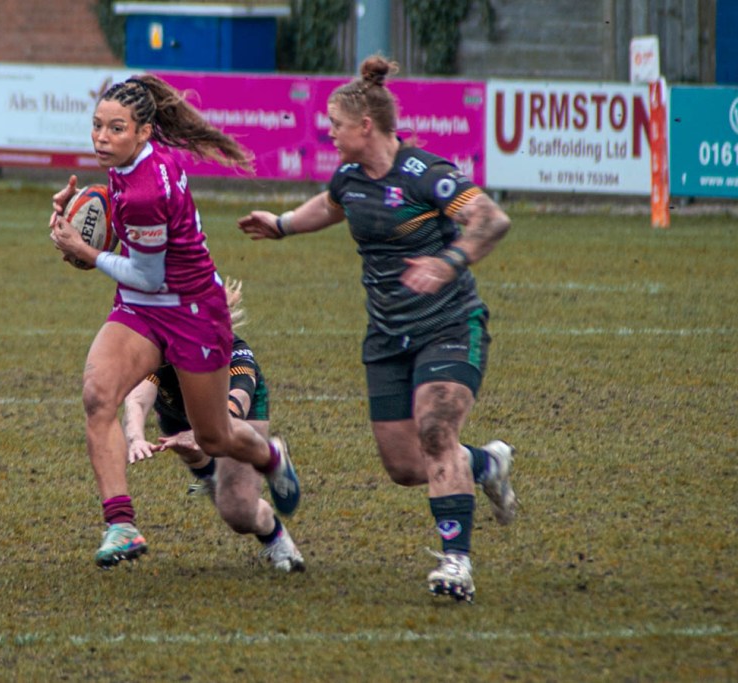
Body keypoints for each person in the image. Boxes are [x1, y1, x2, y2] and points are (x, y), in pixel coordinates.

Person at [237, 55, 517, 602]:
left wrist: (448, 262)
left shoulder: (426, 175)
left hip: (448, 324)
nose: (328, 133)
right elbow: (333, 205)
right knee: (406, 466)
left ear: (365, 126)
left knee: (436, 432)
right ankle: (486, 463)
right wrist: (283, 225)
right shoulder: (349, 177)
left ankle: (456, 563)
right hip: (388, 338)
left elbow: (491, 219)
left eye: (335, 125)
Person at [49, 74, 300, 569]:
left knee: (215, 437)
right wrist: (72, 221)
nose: (101, 137)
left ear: (143, 132)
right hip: (142, 307)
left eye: (115, 128)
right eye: (97, 126)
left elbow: (147, 273)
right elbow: (128, 254)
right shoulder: (128, 166)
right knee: (98, 395)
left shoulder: (147, 188)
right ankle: (121, 524)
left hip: (191, 312)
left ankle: (270, 456)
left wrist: (86, 250)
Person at [122, 279, 305, 573]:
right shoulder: (160, 351)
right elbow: (137, 398)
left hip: (233, 418)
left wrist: (202, 432)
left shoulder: (231, 350)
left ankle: (275, 530)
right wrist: (135, 437)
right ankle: (210, 474)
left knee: (238, 511)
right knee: (200, 460)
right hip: (177, 417)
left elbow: (237, 404)